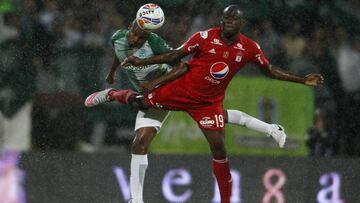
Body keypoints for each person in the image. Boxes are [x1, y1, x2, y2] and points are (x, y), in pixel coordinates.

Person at [85, 5, 319, 202]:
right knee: (139, 109)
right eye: (225, 18)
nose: (228, 22)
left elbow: (269, 70)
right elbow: (175, 56)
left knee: (219, 147)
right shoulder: (204, 37)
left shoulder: (249, 48)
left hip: (206, 102)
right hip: (180, 90)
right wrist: (125, 67)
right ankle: (112, 95)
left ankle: (230, 193)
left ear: (241, 23)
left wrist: (301, 80)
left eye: (233, 19)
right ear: (221, 20)